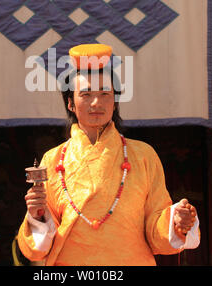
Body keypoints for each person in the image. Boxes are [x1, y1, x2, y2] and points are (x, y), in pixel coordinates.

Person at [17, 44, 200, 266]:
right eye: (86, 94)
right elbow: (38, 249)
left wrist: (175, 221)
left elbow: (155, 230)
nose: (96, 103)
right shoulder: (54, 159)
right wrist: (37, 216)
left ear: (115, 102)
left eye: (105, 94)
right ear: (70, 103)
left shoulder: (143, 155)